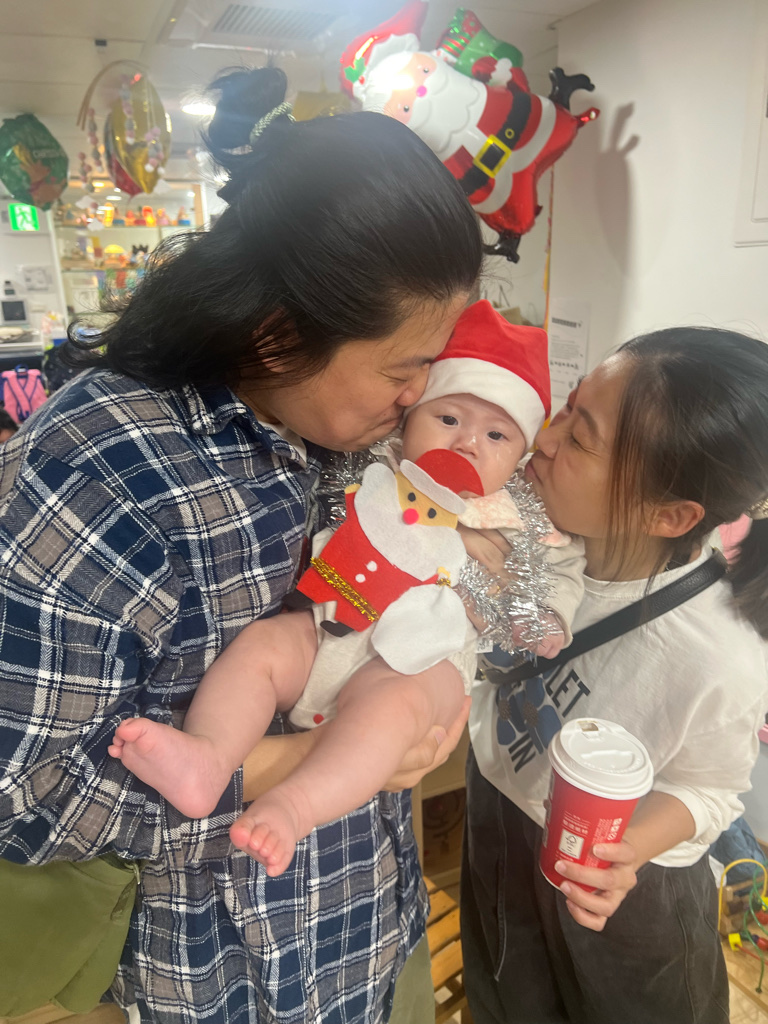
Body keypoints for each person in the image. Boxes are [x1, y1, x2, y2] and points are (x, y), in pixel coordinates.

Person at [0, 65, 483, 1024]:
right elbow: (25, 791)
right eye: (403, 367)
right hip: (217, 977)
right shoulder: (106, 461)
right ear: (276, 338)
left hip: (368, 926)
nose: (416, 398)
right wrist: (299, 764)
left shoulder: (358, 441)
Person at [108, 301, 586, 878]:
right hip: (329, 626)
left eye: (497, 434)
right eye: (448, 418)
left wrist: (546, 618)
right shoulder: (368, 464)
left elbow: (560, 574)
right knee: (262, 647)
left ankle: (294, 805)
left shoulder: (516, 515)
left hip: (420, 663)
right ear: (410, 417)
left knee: (390, 713)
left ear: (519, 455)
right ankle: (209, 757)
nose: (467, 444)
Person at [460, 326, 768, 1024]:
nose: (542, 440)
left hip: (620, 891)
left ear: (671, 515)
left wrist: (626, 853)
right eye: (567, 408)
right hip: (499, 822)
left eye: (579, 439)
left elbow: (711, 790)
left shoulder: (718, 653)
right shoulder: (521, 529)